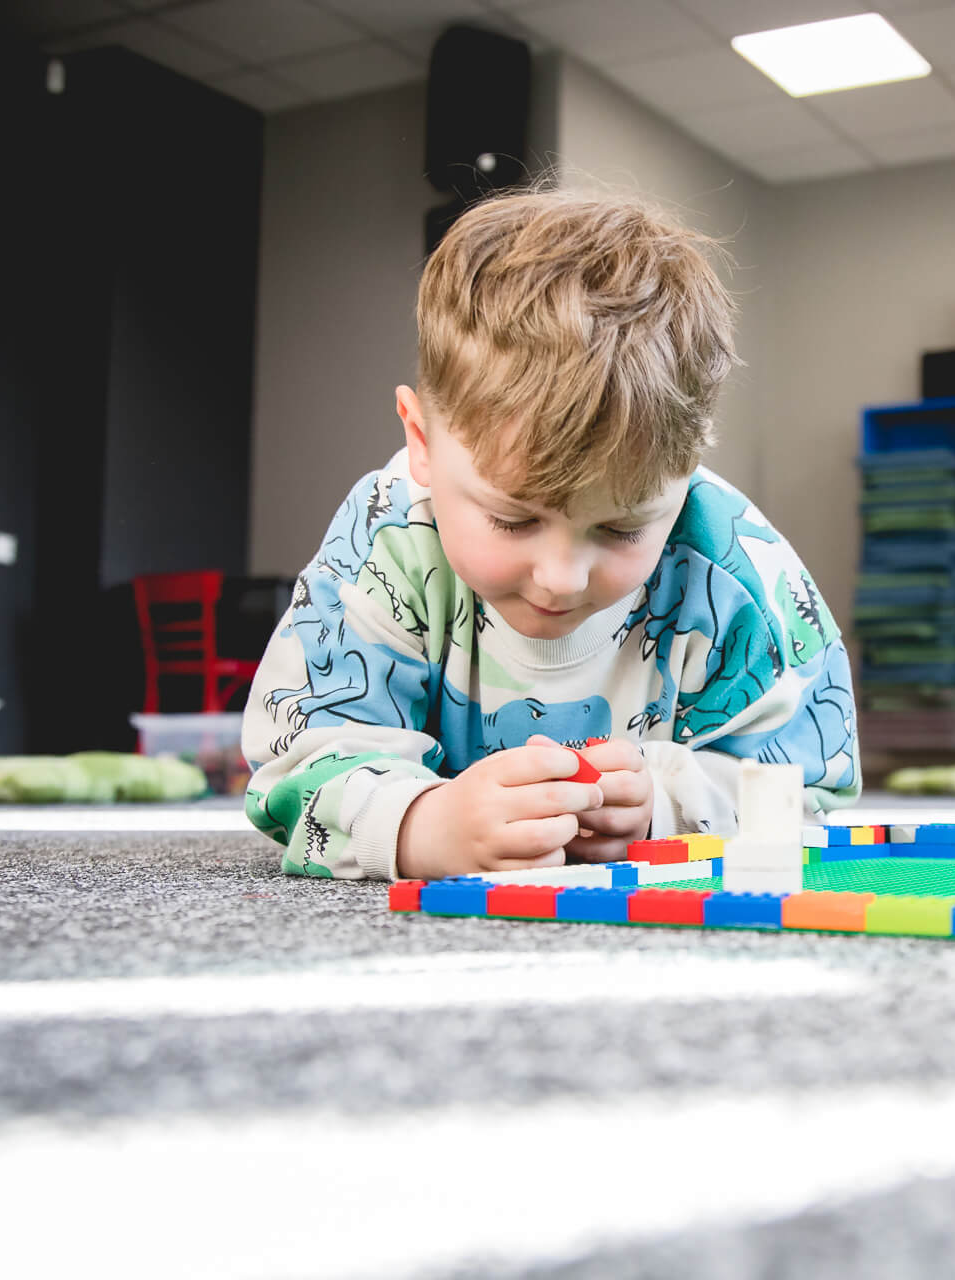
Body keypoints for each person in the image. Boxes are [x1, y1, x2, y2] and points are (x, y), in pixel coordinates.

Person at [242, 189, 859, 882]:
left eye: (622, 528)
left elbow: (809, 786)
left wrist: (663, 808)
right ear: (421, 442)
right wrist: (424, 825)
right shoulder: (384, 544)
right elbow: (299, 756)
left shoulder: (741, 575)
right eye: (513, 520)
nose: (562, 578)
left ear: (685, 475)